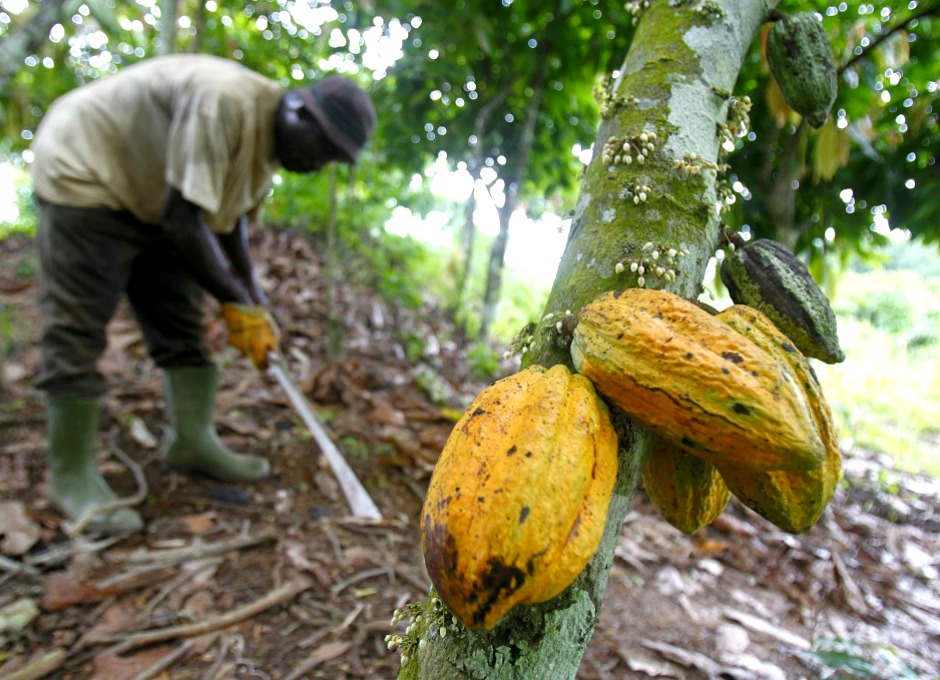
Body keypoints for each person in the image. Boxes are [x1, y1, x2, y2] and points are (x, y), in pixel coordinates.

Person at [29, 54, 376, 534]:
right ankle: (70, 477)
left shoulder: (266, 148)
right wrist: (234, 301)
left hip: (158, 200)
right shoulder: (226, 102)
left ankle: (191, 440)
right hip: (88, 170)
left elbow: (229, 225)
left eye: (334, 160)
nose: (320, 164)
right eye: (324, 149)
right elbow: (184, 219)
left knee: (181, 326)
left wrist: (253, 301)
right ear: (298, 111)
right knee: (78, 328)